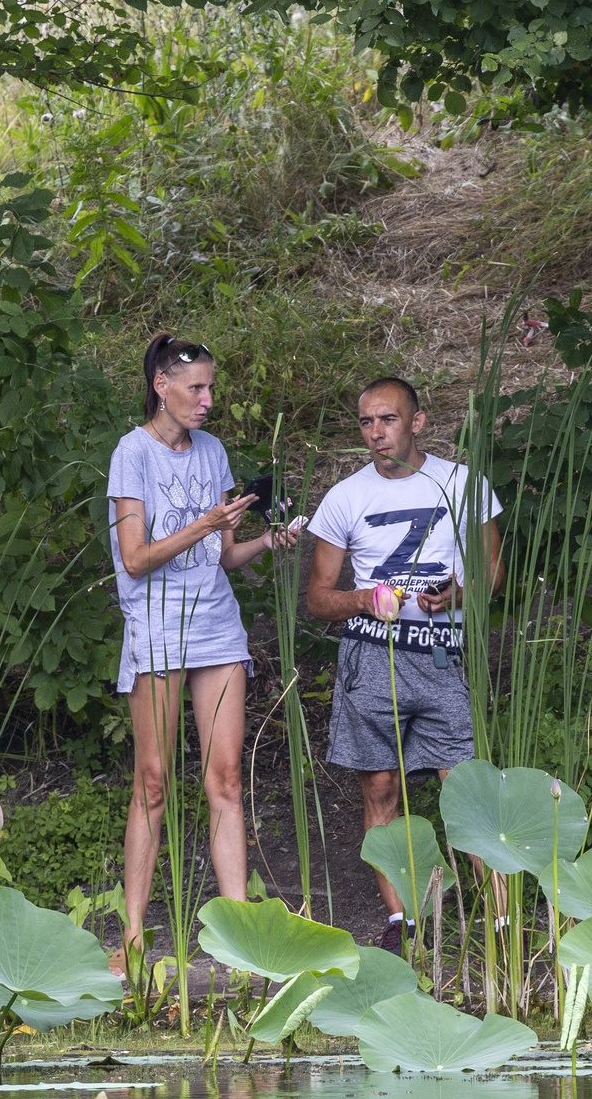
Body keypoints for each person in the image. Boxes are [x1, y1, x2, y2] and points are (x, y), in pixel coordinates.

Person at [108, 334, 299, 975]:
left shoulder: (212, 451)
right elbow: (135, 559)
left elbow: (221, 557)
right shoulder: (131, 454)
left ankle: (238, 936)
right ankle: (132, 936)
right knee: (154, 781)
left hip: (217, 626)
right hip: (158, 627)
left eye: (212, 387)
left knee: (224, 781)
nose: (208, 400)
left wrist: (267, 540)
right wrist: (203, 525)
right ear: (161, 386)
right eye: (196, 388)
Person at [304, 376, 504, 948]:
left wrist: (455, 595)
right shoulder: (345, 496)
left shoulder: (461, 483)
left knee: (464, 787)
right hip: (372, 655)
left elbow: (491, 575)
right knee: (381, 789)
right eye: (366, 423)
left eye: (387, 420)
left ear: (416, 422)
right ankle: (402, 922)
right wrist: (364, 597)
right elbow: (319, 598)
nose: (375, 434)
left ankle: (499, 922)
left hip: (441, 656)